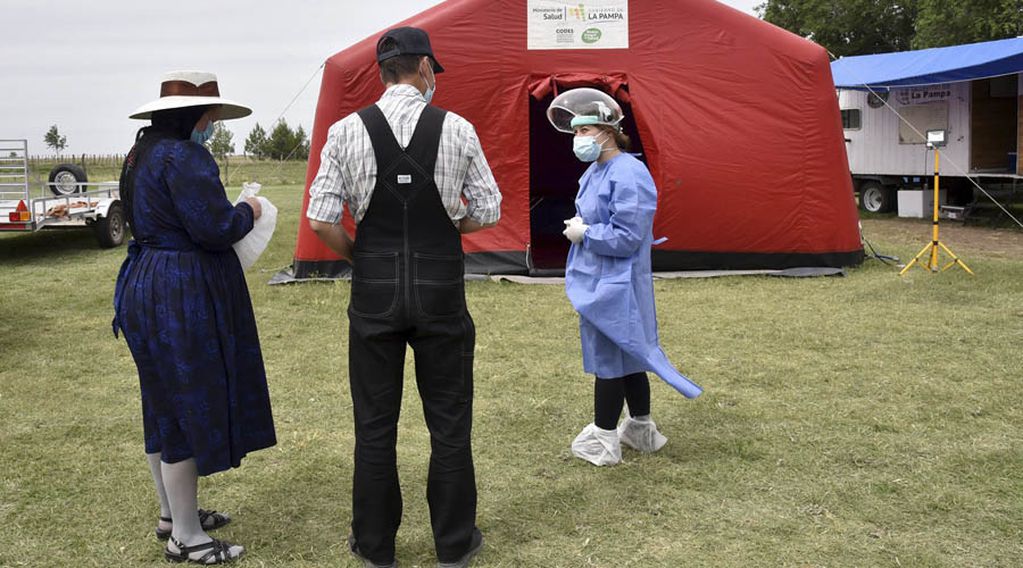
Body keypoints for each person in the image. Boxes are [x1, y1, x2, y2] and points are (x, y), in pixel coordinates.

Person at [306, 26, 501, 568]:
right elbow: (488, 209)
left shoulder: (346, 130)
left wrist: (362, 258)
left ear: (384, 71)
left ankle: (375, 546)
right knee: (449, 422)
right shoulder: (457, 128)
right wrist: (445, 229)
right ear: (424, 69)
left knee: (374, 426)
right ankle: (455, 543)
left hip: (374, 290)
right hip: (440, 288)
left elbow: (322, 220)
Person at [113, 71, 276, 564]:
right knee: (184, 406)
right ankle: (187, 537)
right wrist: (250, 208)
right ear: (195, 118)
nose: (211, 124)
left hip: (143, 281)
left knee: (160, 402)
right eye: (209, 117)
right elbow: (215, 227)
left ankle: (172, 514)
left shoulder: (139, 153)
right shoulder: (185, 156)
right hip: (177, 289)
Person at [546, 88, 703, 467]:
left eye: (585, 131)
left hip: (615, 281)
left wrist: (587, 235)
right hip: (602, 278)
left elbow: (628, 236)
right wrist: (583, 225)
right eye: (576, 133)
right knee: (630, 353)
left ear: (608, 130)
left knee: (611, 360)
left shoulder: (629, 173)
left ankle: (603, 438)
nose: (579, 139)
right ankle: (640, 428)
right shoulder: (597, 170)